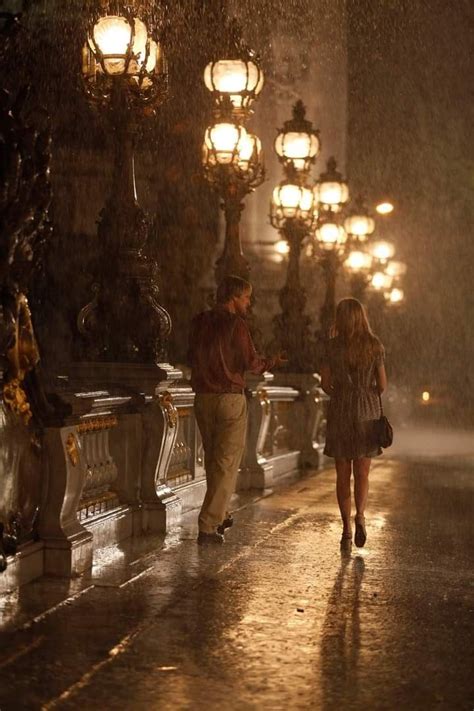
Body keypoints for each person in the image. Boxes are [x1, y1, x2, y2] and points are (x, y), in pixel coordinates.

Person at [188, 275, 286, 545]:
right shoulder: (236, 325)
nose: (249, 302)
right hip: (229, 398)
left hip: (203, 398)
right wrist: (272, 361)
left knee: (212, 460)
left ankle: (221, 513)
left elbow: (190, 356)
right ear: (233, 297)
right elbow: (250, 362)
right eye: (245, 297)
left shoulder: (199, 322)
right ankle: (208, 525)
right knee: (227, 462)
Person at [320, 298, 387, 550]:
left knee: (342, 475)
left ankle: (346, 529)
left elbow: (325, 384)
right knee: (362, 474)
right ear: (362, 317)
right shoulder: (374, 345)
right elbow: (382, 385)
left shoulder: (332, 347)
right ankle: (360, 515)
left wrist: (342, 389)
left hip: (340, 411)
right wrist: (364, 390)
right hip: (366, 412)